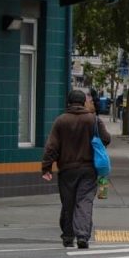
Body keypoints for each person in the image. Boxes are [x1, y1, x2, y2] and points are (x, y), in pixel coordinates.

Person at [41, 90, 111, 249]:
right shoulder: (93, 120)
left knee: (68, 202)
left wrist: (46, 167)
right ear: (84, 102)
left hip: (67, 169)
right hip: (88, 168)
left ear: (69, 102)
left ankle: (67, 237)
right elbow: (106, 139)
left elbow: (51, 147)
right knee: (84, 201)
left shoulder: (61, 121)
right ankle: (82, 236)